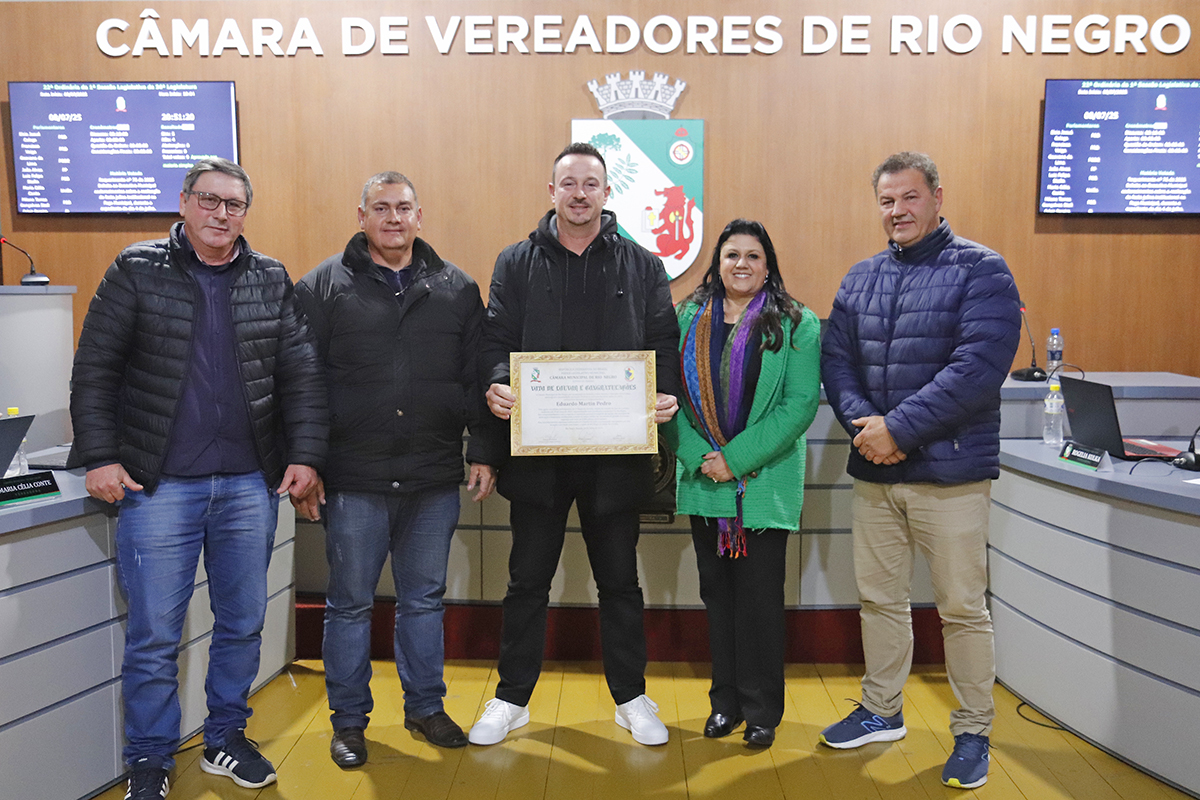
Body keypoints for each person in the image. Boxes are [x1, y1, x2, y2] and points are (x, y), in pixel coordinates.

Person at [69, 157, 327, 800]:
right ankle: (150, 762)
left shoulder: (269, 277)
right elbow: (95, 368)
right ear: (183, 202)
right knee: (156, 633)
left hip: (249, 485)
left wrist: (306, 454)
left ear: (245, 212)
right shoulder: (136, 269)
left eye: (234, 204)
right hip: (159, 488)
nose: (221, 214)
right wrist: (99, 455)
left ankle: (225, 740)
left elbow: (301, 374)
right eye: (209, 200)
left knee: (242, 622)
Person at [468, 142, 682, 747]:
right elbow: (494, 340)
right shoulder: (515, 262)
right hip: (537, 456)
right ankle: (511, 699)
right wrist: (495, 386)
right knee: (526, 581)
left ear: (607, 193)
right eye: (569, 183)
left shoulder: (642, 265)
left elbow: (664, 341)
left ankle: (631, 697)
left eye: (592, 183)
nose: (580, 193)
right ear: (551, 191)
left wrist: (664, 394)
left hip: (615, 458)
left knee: (619, 581)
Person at [818, 152, 1021, 789]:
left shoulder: (983, 270)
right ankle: (881, 711)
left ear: (936, 196)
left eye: (908, 198)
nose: (897, 212)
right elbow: (837, 363)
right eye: (886, 201)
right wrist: (866, 429)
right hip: (876, 474)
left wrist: (897, 430)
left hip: (953, 474)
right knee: (880, 599)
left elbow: (977, 369)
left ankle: (972, 731)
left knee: (961, 609)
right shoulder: (859, 277)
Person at [295, 172, 499, 766]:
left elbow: (480, 376)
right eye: (380, 208)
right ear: (360, 215)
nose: (393, 218)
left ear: (419, 216)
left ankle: (426, 709)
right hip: (353, 478)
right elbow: (301, 384)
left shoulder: (457, 288)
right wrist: (306, 462)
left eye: (403, 208)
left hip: (433, 478)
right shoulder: (321, 287)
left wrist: (482, 449)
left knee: (423, 601)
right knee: (350, 604)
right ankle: (350, 722)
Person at [663, 219, 820, 748]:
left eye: (754, 256)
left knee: (758, 602)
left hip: (762, 483)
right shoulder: (686, 317)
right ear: (717, 262)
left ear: (768, 265)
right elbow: (669, 399)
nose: (742, 265)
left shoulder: (796, 322)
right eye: (732, 255)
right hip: (706, 482)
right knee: (718, 598)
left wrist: (733, 460)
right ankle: (723, 704)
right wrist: (700, 458)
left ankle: (761, 712)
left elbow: (798, 407)